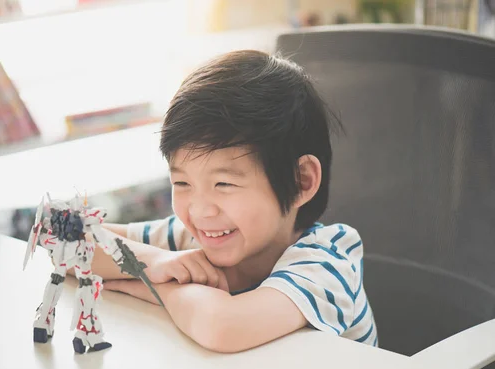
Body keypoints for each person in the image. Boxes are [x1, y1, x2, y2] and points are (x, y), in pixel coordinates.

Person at [82, 50, 377, 353]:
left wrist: (153, 283)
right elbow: (62, 237)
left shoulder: (329, 262)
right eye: (182, 182)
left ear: (300, 180)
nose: (199, 210)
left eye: (223, 184)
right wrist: (153, 262)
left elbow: (222, 327)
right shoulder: (190, 242)